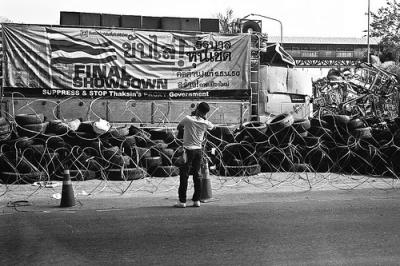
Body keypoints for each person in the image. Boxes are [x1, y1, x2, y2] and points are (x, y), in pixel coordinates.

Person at [175, 102, 214, 208]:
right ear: (205, 113)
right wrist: (204, 119)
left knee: (184, 175)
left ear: (197, 109)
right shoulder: (206, 123)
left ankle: (182, 201)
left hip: (187, 150)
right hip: (198, 151)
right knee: (197, 175)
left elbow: (179, 127)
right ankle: (196, 200)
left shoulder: (188, 119)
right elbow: (212, 127)